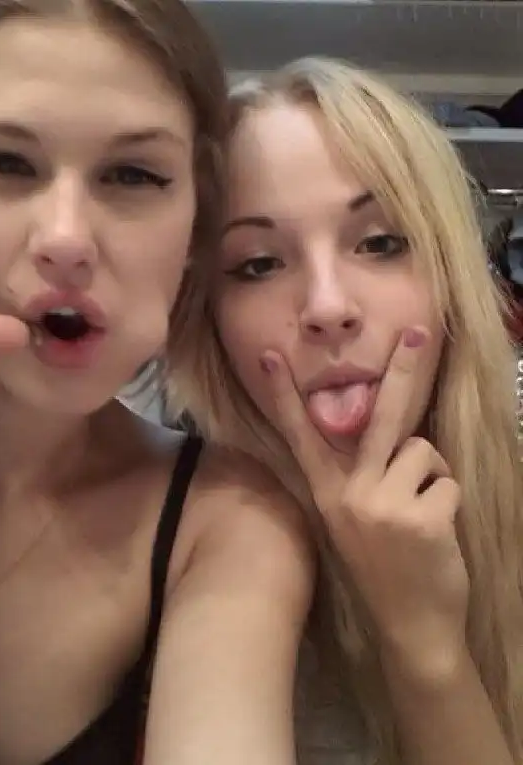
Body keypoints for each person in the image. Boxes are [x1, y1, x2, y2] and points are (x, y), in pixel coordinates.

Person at [0, 3, 314, 765]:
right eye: (3, 163)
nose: (66, 240)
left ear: (195, 228)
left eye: (133, 174)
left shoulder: (229, 520)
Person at [165, 58, 523, 764]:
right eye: (259, 263)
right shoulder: (188, 534)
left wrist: (426, 642)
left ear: (450, 271)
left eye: (380, 243)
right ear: (210, 318)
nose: (328, 307)